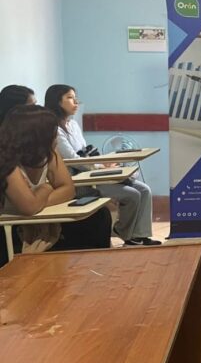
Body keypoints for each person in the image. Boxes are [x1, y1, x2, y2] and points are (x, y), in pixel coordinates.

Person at [45, 84, 160, 246]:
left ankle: (141, 235)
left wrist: (104, 164)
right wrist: (102, 168)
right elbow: (73, 159)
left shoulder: (73, 125)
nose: (76, 102)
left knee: (144, 189)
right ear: (56, 102)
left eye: (75, 97)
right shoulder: (54, 130)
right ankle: (125, 233)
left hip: (91, 172)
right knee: (132, 194)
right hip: (80, 181)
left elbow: (85, 152)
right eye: (70, 98)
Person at [0, 105, 111, 257]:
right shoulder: (6, 161)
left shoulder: (49, 153)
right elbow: (28, 208)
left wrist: (38, 199)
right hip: (13, 228)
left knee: (99, 216)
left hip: (42, 220)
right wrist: (46, 188)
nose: (56, 137)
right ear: (37, 136)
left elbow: (68, 189)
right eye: (53, 132)